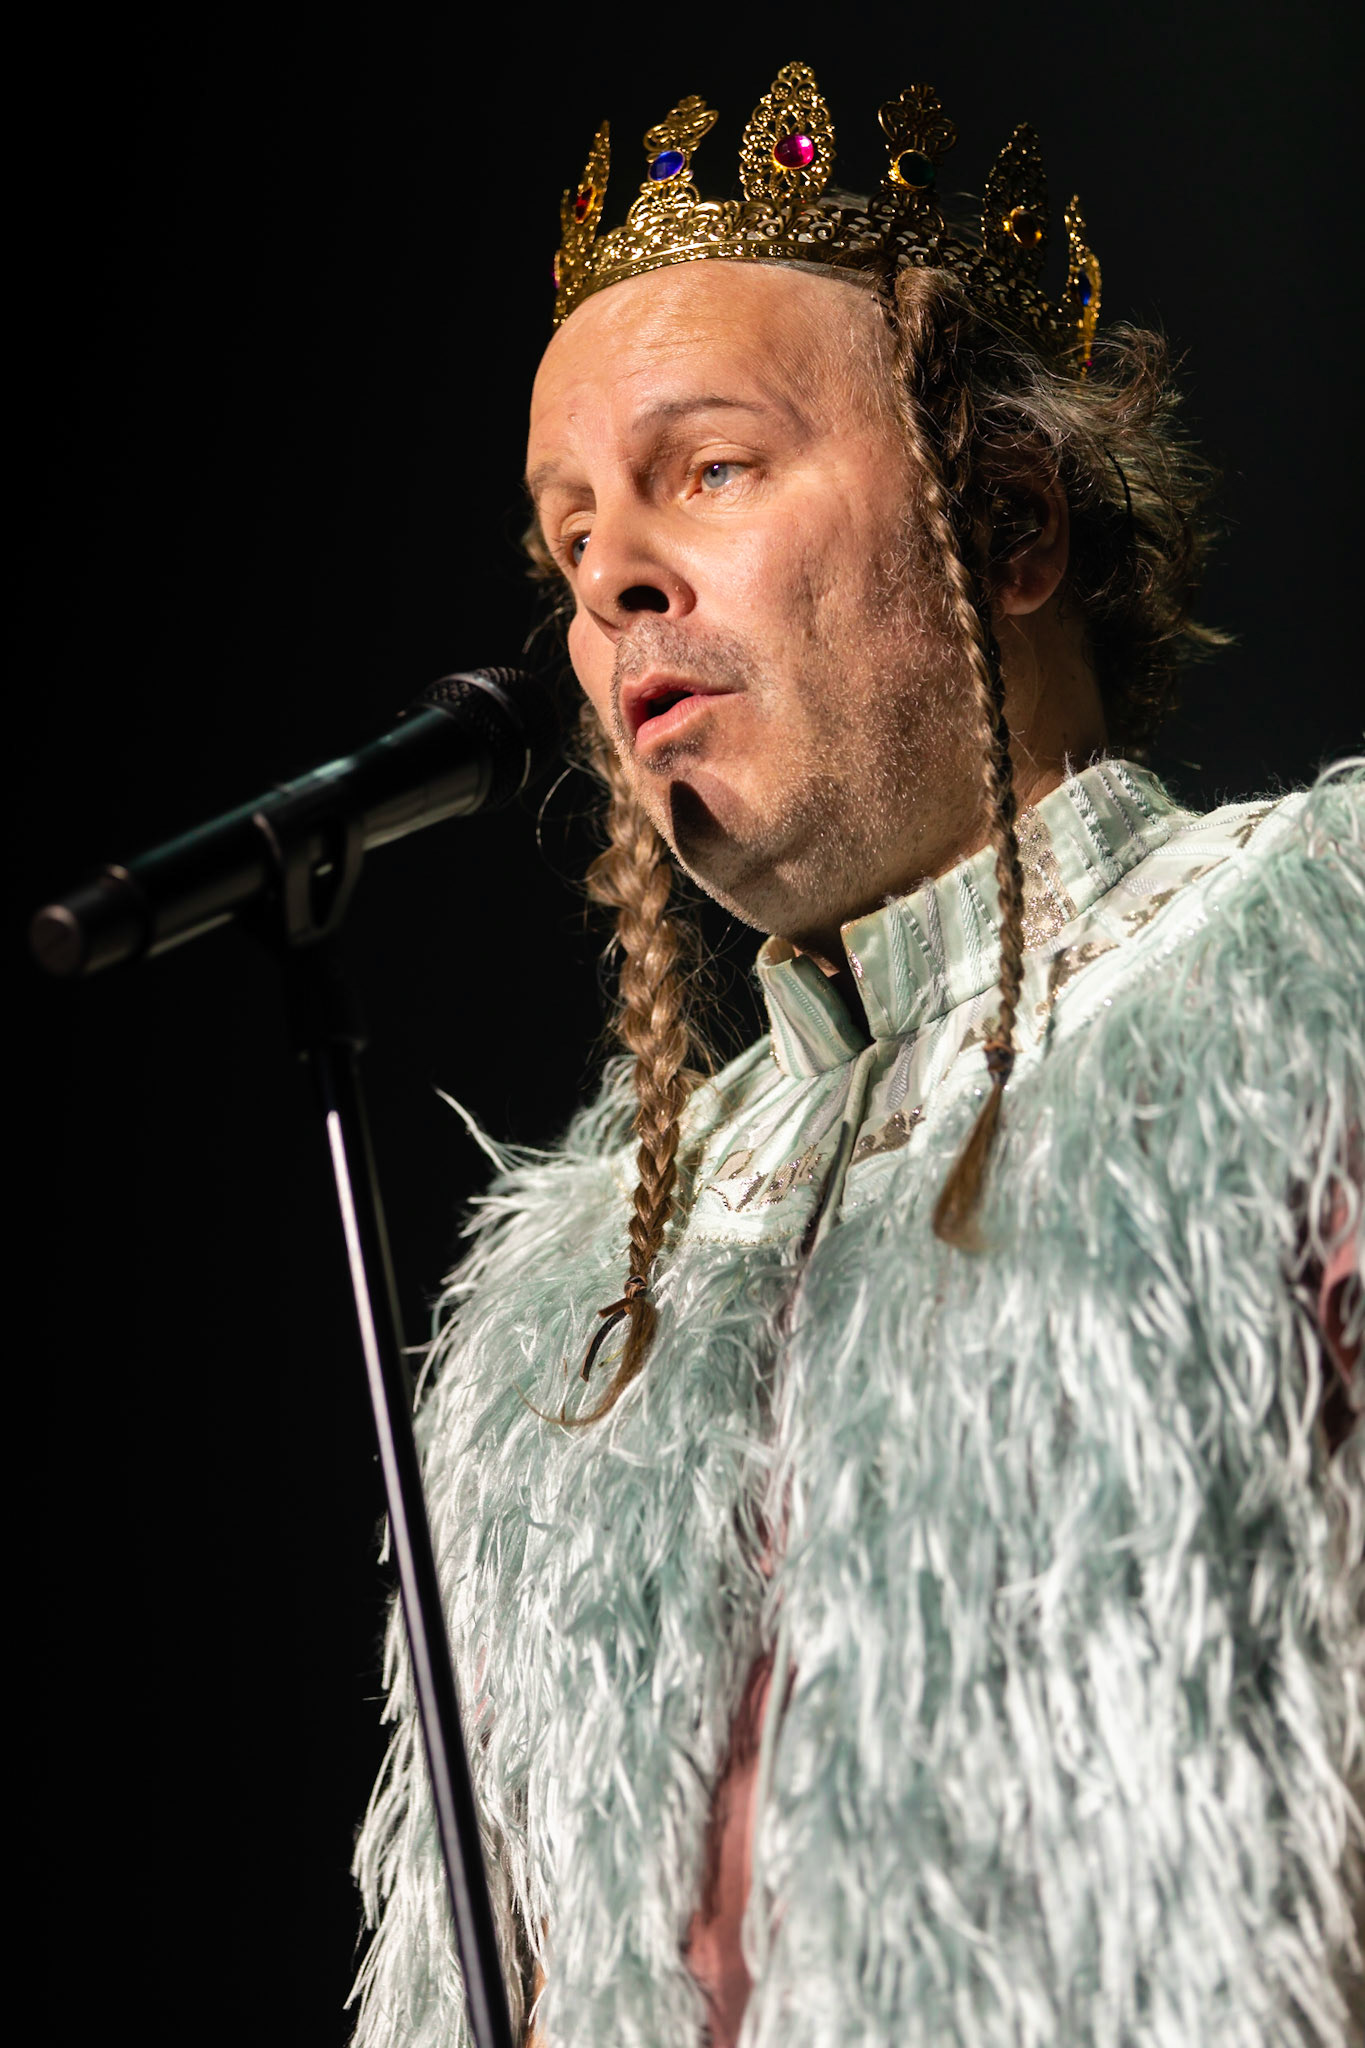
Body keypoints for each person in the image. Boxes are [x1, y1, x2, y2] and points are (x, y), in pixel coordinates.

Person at [349, 63, 1363, 2048]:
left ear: (999, 522)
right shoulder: (581, 1293)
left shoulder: (1301, 977)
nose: (611, 578)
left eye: (702, 468)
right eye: (571, 543)